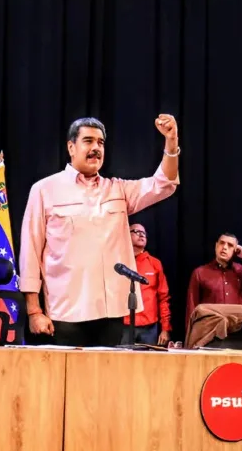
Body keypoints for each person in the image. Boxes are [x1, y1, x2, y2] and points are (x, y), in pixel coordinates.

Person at [19, 114, 180, 347]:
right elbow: (30, 252)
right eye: (88, 141)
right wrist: (34, 311)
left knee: (104, 382)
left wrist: (171, 141)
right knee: (64, 382)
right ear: (71, 147)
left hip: (110, 313)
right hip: (64, 312)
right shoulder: (45, 190)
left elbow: (163, 183)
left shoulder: (117, 190)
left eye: (101, 143)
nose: (96, 148)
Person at [184, 233, 242, 348]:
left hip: (238, 335)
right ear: (216, 246)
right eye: (222, 243)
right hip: (210, 335)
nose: (225, 247)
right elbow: (192, 309)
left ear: (236, 250)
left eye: (230, 245)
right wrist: (190, 338)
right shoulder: (200, 272)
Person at [120, 223, 172, 345]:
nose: (141, 234)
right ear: (128, 235)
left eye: (144, 233)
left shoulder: (155, 263)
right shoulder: (121, 263)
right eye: (136, 231)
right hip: (124, 326)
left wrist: (165, 328)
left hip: (149, 328)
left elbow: (163, 297)